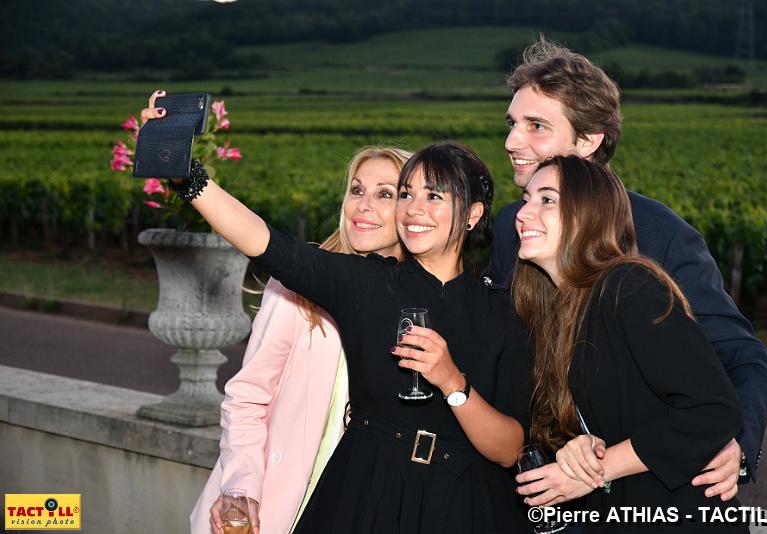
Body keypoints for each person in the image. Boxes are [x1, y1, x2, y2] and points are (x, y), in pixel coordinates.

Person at [140, 94, 532, 533]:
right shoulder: (366, 282)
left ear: (474, 215)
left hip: (461, 506)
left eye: (434, 196)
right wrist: (187, 177)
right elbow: (271, 245)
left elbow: (509, 448)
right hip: (366, 495)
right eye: (406, 194)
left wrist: (452, 383)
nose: (414, 209)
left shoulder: (503, 310)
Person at [488, 38, 767, 499]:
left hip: (641, 495)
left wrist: (738, 444)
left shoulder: (659, 234)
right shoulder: (511, 227)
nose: (511, 142)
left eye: (535, 126)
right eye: (512, 123)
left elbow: (741, 357)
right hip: (536, 490)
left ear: (588, 141)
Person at [513, 155, 747, 532]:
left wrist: (596, 470)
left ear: (588, 214)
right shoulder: (560, 309)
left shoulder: (628, 286)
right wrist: (583, 444)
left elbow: (713, 410)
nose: (523, 213)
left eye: (547, 199)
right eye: (526, 199)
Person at [190, 145, 413, 534]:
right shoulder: (299, 284)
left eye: (385, 194)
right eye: (357, 190)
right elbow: (248, 397)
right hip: (279, 505)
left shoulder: (420, 304)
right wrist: (241, 487)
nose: (363, 206)